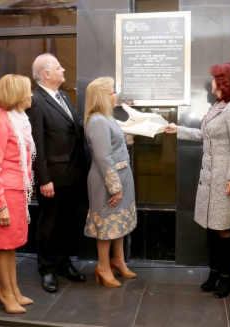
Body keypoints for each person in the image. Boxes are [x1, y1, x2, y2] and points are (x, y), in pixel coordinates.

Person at [165, 63, 230, 298]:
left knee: (222, 227)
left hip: (223, 179)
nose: (211, 81)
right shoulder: (218, 107)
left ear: (224, 81)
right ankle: (214, 272)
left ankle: (226, 275)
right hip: (208, 177)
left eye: (214, 78)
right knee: (211, 227)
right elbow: (205, 135)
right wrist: (177, 129)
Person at [27, 53, 87, 293]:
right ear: (47, 73)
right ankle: (47, 269)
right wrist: (44, 179)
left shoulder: (63, 95)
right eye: (60, 67)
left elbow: (74, 127)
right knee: (49, 225)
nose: (64, 70)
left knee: (66, 223)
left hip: (73, 172)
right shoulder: (36, 100)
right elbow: (37, 143)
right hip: (52, 177)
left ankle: (64, 264)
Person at [0, 74, 35, 314]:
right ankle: (4, 292)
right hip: (3, 192)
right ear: (16, 95)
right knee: (2, 244)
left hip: (16, 190)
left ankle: (13, 289)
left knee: (11, 244)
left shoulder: (18, 119)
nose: (31, 95)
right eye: (27, 91)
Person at [83, 77, 137, 287]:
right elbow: (105, 159)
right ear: (103, 97)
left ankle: (118, 261)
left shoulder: (106, 118)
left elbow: (117, 145)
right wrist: (115, 189)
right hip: (107, 181)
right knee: (106, 225)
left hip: (121, 176)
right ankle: (103, 267)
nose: (115, 95)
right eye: (112, 92)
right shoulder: (97, 121)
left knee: (119, 222)